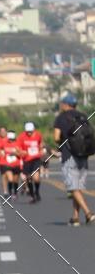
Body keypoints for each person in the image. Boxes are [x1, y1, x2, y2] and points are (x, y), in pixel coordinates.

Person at [54, 93, 95, 226]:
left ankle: (88, 213)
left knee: (73, 188)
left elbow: (56, 137)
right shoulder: (83, 116)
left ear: (65, 104)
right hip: (83, 155)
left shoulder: (61, 117)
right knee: (77, 187)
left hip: (69, 155)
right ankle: (75, 217)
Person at [17, 121, 44, 203]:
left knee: (36, 178)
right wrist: (22, 151)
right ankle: (32, 196)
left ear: (33, 130)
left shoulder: (38, 135)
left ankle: (37, 192)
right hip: (26, 160)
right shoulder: (21, 136)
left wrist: (41, 150)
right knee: (28, 178)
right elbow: (18, 148)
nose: (29, 133)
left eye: (30, 131)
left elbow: (41, 144)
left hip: (36, 159)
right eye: (27, 131)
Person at [3, 130, 21, 199]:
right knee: (10, 179)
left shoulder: (18, 143)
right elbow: (0, 151)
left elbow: (21, 153)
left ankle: (15, 193)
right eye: (9, 139)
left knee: (15, 180)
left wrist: (15, 153)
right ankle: (10, 193)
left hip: (16, 164)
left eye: (12, 139)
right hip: (8, 165)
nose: (11, 140)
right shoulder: (4, 143)